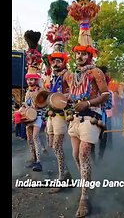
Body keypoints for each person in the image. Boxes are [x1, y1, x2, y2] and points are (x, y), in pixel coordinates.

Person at [61, 0, 108, 218]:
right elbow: (68, 93)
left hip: (90, 116)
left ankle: (84, 198)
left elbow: (106, 96)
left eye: (83, 54)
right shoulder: (69, 73)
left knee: (84, 153)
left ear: (89, 53)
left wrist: (88, 104)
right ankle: (86, 183)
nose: (79, 57)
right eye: (76, 54)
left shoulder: (96, 72)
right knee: (78, 157)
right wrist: (66, 100)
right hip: (73, 119)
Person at [43, 13, 73, 193]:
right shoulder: (50, 76)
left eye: (58, 60)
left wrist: (64, 98)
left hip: (61, 114)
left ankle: (64, 177)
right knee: (53, 145)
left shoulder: (67, 75)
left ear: (63, 61)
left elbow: (73, 92)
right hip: (50, 114)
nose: (55, 63)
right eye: (53, 60)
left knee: (57, 146)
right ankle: (65, 175)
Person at [21, 30, 44, 172]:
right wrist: (22, 108)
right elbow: (25, 103)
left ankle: (39, 162)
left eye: (32, 79)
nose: (30, 81)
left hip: (38, 116)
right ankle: (33, 158)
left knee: (35, 137)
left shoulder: (40, 90)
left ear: (35, 79)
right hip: (28, 116)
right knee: (29, 139)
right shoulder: (28, 91)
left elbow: (44, 103)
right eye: (28, 79)